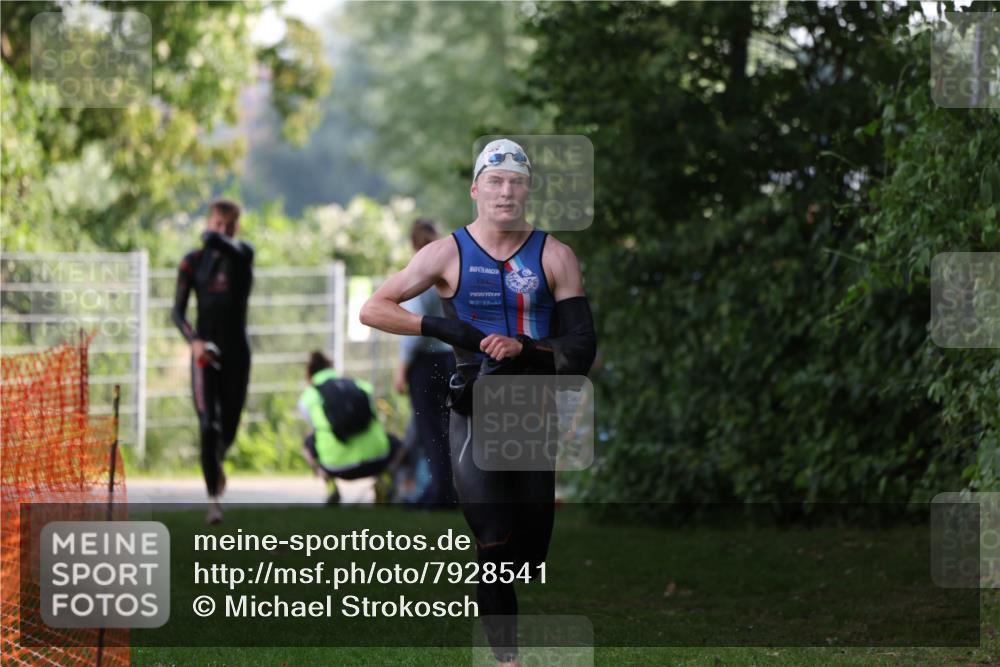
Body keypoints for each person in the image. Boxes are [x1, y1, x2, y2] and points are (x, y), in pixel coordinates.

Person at [360, 138, 597, 667]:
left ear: (527, 190)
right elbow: (374, 309)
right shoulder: (445, 253)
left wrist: (526, 348)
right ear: (476, 190)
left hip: (532, 406)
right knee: (491, 536)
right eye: (494, 182)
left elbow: (581, 348)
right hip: (473, 400)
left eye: (515, 182)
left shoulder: (555, 256)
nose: (505, 192)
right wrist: (450, 329)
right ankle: (506, 659)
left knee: (529, 549)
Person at [171, 199, 254, 525]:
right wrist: (195, 342)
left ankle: (217, 462)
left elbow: (222, 244)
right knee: (208, 425)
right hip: (204, 352)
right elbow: (177, 312)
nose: (223, 232)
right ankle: (213, 503)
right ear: (209, 222)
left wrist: (216, 236)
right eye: (218, 224)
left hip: (237, 353)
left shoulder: (243, 255)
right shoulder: (192, 263)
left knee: (229, 427)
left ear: (237, 229)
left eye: (230, 226)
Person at [394, 218, 457, 507]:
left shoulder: (419, 270)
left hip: (426, 361)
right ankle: (452, 490)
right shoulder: (448, 269)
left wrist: (401, 368)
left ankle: (439, 493)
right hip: (451, 358)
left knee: (430, 430)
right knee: (450, 429)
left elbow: (413, 328)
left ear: (412, 242)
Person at [298, 351, 402, 505]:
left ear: (309, 374)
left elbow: (316, 427)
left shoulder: (309, 395)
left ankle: (331, 486)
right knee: (396, 443)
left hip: (336, 466)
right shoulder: (359, 385)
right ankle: (385, 479)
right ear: (331, 367)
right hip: (377, 460)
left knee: (308, 441)